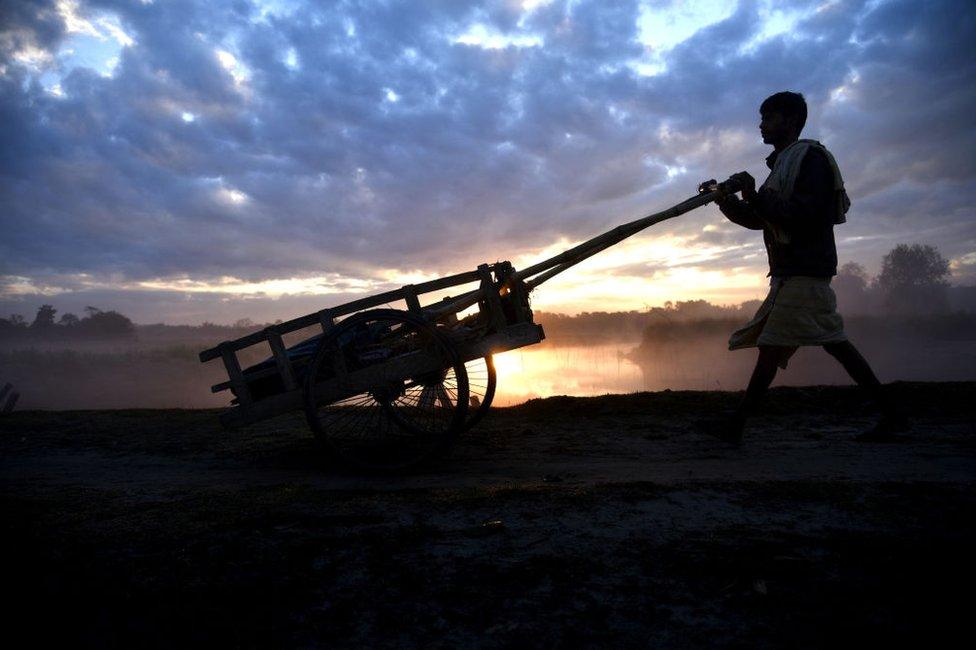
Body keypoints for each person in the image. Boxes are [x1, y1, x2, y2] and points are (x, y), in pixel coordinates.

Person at [710, 91, 905, 444]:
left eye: (769, 118)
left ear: (791, 121)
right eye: (762, 118)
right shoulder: (783, 165)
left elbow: (806, 215)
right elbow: (760, 220)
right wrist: (725, 200)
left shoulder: (810, 159)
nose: (761, 125)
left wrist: (754, 194)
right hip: (793, 273)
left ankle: (736, 425)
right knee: (831, 344)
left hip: (805, 272)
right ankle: (893, 415)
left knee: (775, 347)